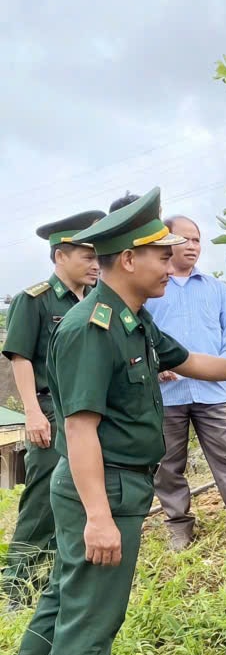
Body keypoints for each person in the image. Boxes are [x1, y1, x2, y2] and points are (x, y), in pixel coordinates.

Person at [8, 189, 226, 655]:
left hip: (117, 487)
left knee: (61, 605)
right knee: (91, 619)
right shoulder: (91, 328)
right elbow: (79, 431)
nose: (172, 262)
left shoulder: (134, 318)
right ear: (128, 259)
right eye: (161, 254)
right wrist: (98, 517)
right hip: (100, 489)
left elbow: (191, 363)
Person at [146, 216, 226, 552]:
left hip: (212, 391)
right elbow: (140, 337)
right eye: (184, 239)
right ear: (166, 243)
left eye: (197, 240)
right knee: (168, 463)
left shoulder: (217, 290)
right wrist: (155, 366)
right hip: (166, 394)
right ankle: (178, 525)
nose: (192, 246)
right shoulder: (151, 289)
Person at [2, 210, 103, 611]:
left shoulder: (96, 299)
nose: (96, 263)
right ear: (61, 255)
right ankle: (16, 588)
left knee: (82, 496)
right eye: (87, 255)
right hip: (49, 410)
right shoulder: (36, 299)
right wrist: (32, 413)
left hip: (87, 413)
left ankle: (63, 576)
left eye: (98, 256)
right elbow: (20, 357)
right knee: (41, 500)